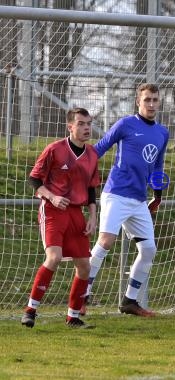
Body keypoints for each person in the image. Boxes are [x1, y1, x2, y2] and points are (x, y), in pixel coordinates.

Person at [83, 83, 169, 317]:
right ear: (137, 102)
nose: (151, 104)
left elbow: (157, 166)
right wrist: (81, 173)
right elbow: (98, 149)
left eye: (155, 100)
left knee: (149, 249)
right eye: (147, 100)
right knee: (106, 241)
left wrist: (157, 195)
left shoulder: (162, 132)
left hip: (139, 200)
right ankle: (82, 295)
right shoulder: (125, 124)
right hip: (116, 194)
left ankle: (129, 301)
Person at [21, 108, 100, 328]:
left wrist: (93, 217)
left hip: (76, 212)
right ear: (70, 126)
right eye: (82, 123)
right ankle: (30, 311)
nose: (86, 128)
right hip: (53, 210)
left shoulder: (92, 154)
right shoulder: (55, 149)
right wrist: (52, 197)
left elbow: (91, 189)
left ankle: (73, 316)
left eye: (89, 123)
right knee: (53, 257)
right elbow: (34, 180)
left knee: (85, 265)